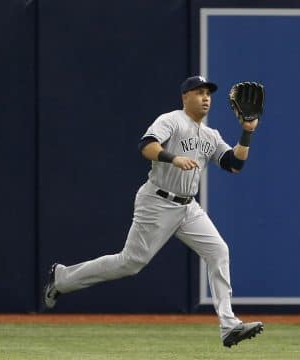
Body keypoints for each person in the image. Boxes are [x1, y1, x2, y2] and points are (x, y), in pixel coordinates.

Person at [43, 75, 263, 347]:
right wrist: (173, 158)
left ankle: (229, 326)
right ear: (185, 97)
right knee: (130, 262)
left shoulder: (210, 135)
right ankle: (62, 278)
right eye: (198, 92)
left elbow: (234, 164)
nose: (205, 97)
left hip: (188, 207)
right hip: (157, 201)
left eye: (208, 93)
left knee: (219, 251)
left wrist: (247, 132)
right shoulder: (171, 120)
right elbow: (146, 146)